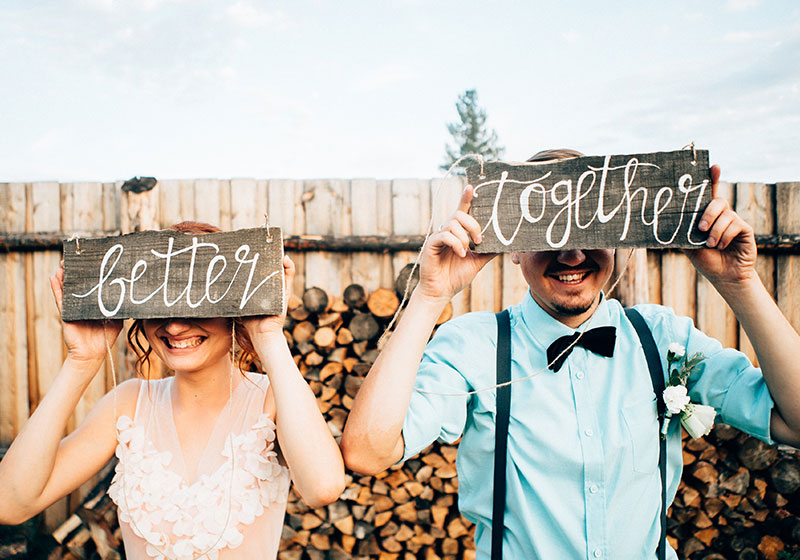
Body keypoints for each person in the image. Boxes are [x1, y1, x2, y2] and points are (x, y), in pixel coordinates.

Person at [340, 150, 800, 559]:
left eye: (590, 231)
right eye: (548, 233)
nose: (573, 254)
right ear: (514, 250)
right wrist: (428, 296)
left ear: (618, 238)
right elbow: (366, 452)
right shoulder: (472, 347)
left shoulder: (662, 337)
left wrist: (741, 284)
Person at [0, 222, 345, 560]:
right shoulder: (127, 405)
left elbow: (323, 487)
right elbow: (10, 503)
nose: (176, 326)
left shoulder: (273, 399)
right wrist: (82, 360)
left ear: (233, 309)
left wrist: (268, 336)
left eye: (198, 305)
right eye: (161, 308)